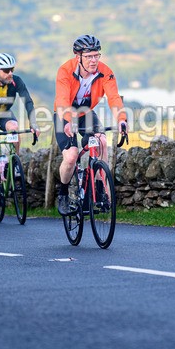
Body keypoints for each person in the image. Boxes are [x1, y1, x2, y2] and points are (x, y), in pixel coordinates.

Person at [54, 34, 127, 216]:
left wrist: (121, 119)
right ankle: (63, 193)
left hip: (85, 113)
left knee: (101, 140)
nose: (94, 60)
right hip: (64, 114)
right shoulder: (65, 71)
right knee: (71, 157)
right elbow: (62, 99)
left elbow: (114, 98)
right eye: (88, 57)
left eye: (96, 55)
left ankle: (100, 189)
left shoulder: (105, 72)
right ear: (78, 57)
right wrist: (68, 121)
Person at [0, 53, 40, 213]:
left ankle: (14, 162)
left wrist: (33, 123)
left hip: (4, 114)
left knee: (14, 127)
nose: (10, 73)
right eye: (6, 71)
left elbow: (28, 101)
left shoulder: (16, 81)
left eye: (12, 69)